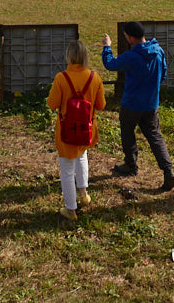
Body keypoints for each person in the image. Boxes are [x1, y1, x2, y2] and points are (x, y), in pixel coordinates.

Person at [102, 21, 174, 192]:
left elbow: (110, 64)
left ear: (130, 37)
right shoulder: (158, 51)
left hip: (131, 104)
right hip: (151, 104)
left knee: (128, 134)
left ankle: (131, 165)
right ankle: (168, 170)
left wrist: (107, 47)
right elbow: (163, 74)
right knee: (155, 137)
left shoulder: (132, 55)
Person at [47, 39, 106, 222]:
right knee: (82, 157)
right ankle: (84, 194)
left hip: (66, 132)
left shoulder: (61, 78)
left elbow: (52, 104)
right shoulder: (94, 77)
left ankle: (70, 209)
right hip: (86, 130)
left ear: (69, 57)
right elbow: (101, 105)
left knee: (66, 170)